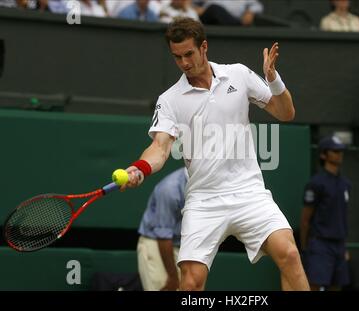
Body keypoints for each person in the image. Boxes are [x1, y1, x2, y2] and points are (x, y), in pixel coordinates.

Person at [121, 17, 310, 291]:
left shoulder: (239, 75)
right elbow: (160, 148)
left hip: (249, 193)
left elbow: (286, 113)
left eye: (189, 54)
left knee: (290, 254)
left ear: (204, 47)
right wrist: (140, 168)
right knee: (191, 282)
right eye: (177, 57)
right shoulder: (170, 100)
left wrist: (273, 80)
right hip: (204, 200)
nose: (184, 63)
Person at [300, 136, 351, 291]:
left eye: (340, 151)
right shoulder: (316, 183)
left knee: (337, 285)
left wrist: (344, 246)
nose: (339, 154)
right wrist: (305, 249)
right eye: (335, 151)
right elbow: (305, 219)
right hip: (320, 242)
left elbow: (342, 216)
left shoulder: (345, 184)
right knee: (314, 284)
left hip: (339, 243)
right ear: (323, 155)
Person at [137, 167, 187, 291]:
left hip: (183, 246)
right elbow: (163, 237)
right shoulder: (170, 189)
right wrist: (173, 277)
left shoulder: (209, 182)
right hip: (157, 245)